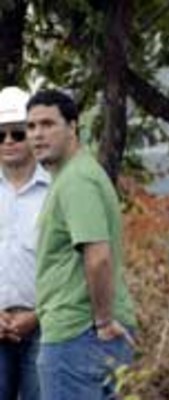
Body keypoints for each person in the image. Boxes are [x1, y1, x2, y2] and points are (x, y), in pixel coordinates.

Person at [25, 89, 137, 400]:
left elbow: (98, 256)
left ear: (73, 126)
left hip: (79, 333)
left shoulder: (77, 180)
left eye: (48, 124)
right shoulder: (73, 176)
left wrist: (102, 321)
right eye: (31, 127)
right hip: (85, 333)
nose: (37, 135)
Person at [0, 86, 50, 400]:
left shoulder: (57, 190)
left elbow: (70, 264)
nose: (7, 142)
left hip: (45, 325)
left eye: (17, 134)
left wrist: (38, 315)